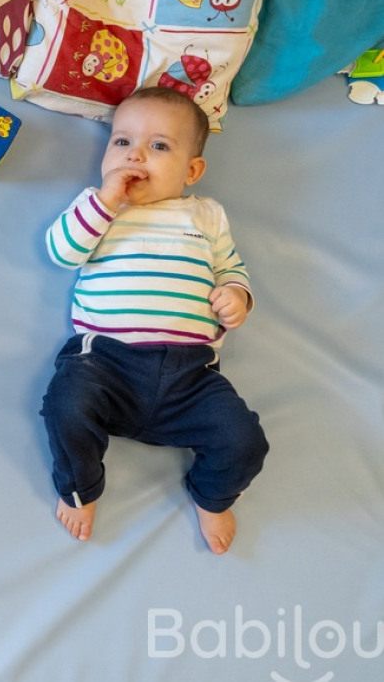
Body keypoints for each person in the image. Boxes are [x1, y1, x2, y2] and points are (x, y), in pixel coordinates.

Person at [40, 87, 267, 554]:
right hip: (105, 363)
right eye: (121, 142)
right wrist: (104, 201)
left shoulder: (205, 215)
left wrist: (237, 295)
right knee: (66, 407)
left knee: (244, 440)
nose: (135, 155)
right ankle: (81, 487)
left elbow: (231, 268)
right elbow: (62, 252)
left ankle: (212, 495)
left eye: (159, 146)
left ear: (192, 170)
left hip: (191, 376)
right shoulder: (100, 207)